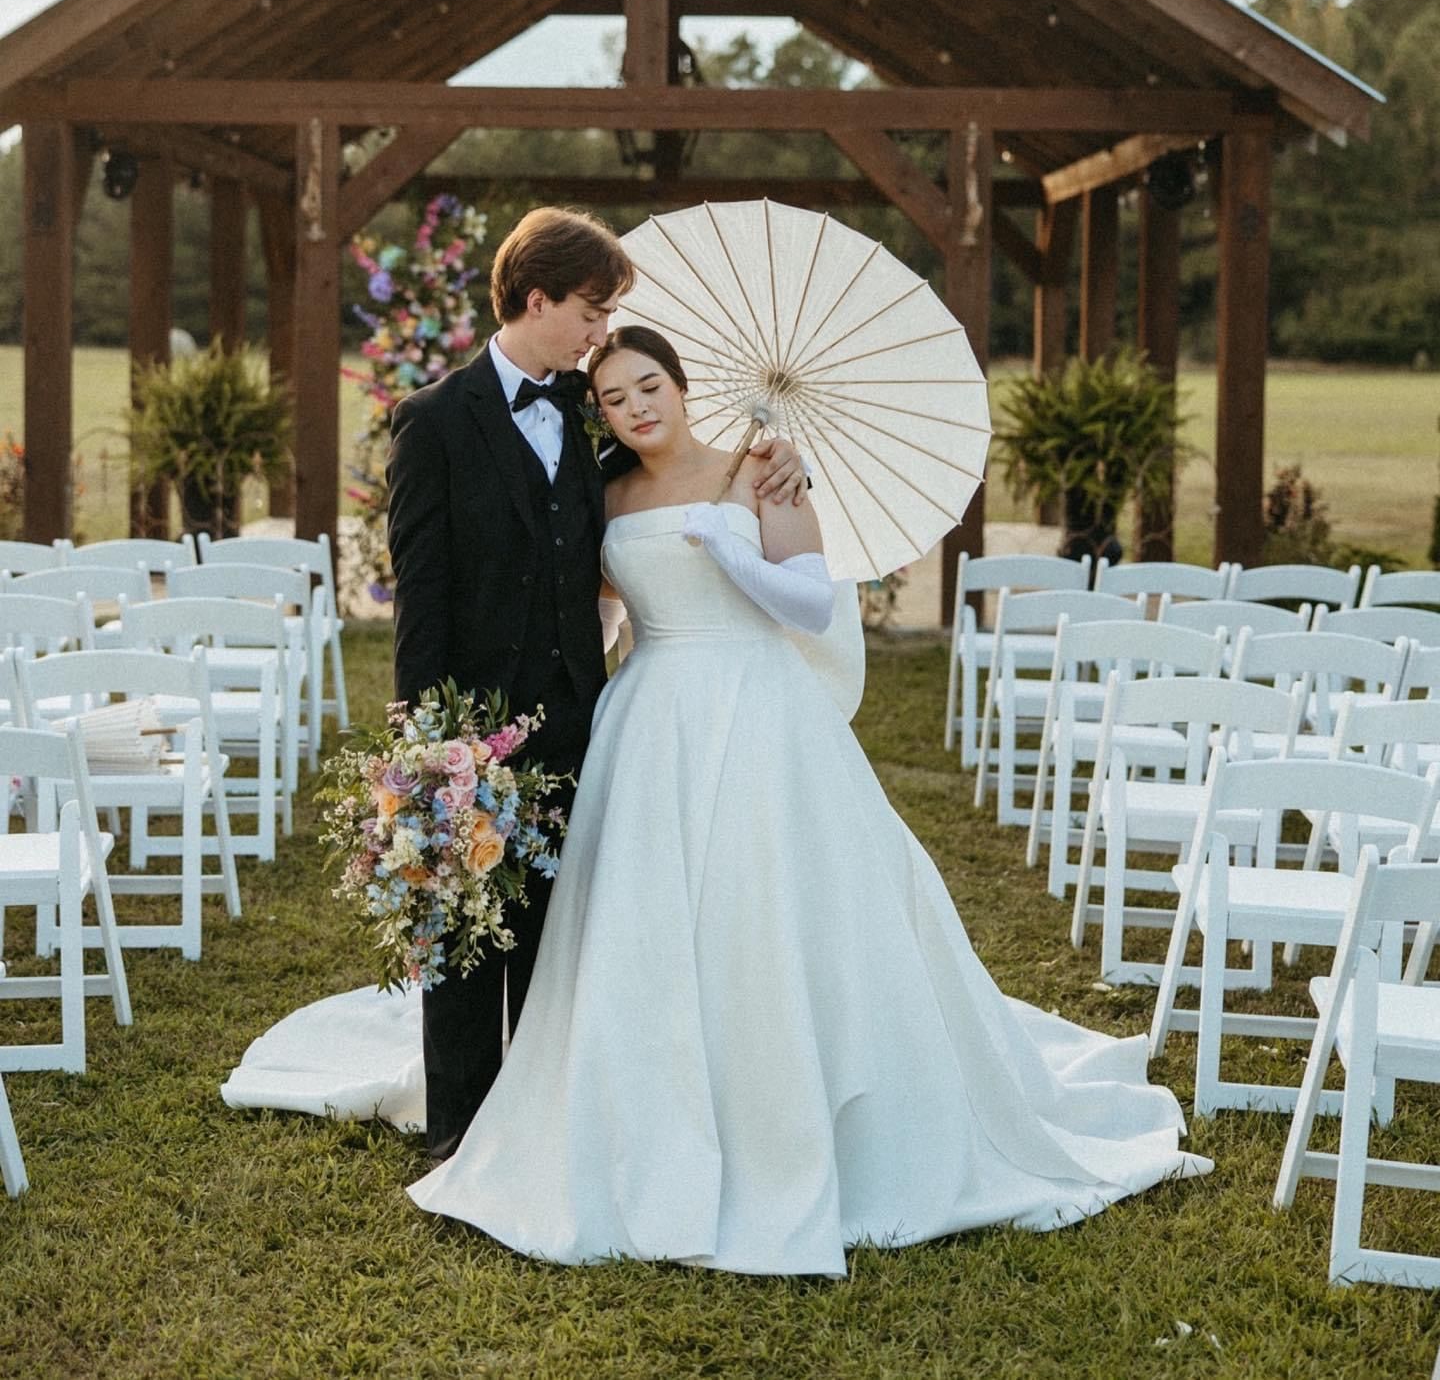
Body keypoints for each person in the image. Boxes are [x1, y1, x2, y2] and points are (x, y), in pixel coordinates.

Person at [399, 325, 1211, 1273]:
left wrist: (730, 550)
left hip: (760, 711)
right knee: (649, 920)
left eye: (650, 385)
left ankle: (797, 1108)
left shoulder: (766, 471)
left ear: (682, 383)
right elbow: (602, 601)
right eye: (615, 398)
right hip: (650, 716)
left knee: (769, 910)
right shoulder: (603, 488)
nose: (637, 408)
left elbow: (810, 605)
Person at [382, 208, 804, 1162]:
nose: (601, 334)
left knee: (551, 919)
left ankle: (542, 1106)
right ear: (539, 299)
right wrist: (426, 743)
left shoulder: (587, 409)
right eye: (592, 311)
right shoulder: (435, 421)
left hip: (584, 708)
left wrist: (774, 464)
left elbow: (671, 475)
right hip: (470, 717)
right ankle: (457, 1125)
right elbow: (423, 592)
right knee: (463, 928)